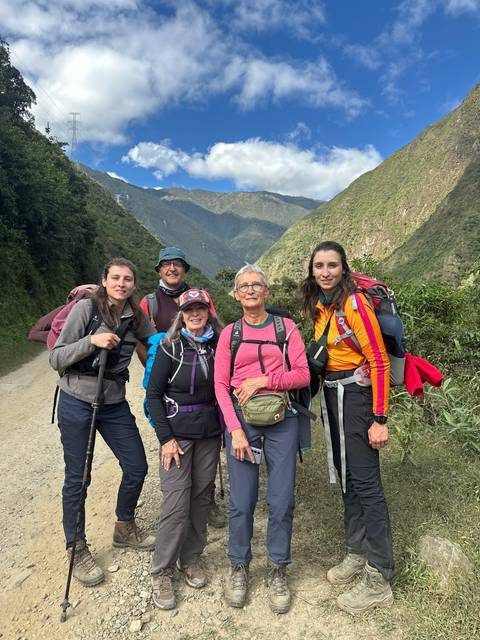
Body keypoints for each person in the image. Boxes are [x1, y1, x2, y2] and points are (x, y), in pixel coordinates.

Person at [50, 258, 156, 587]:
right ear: (104, 280)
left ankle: (124, 527)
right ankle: (76, 546)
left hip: (112, 402)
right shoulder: (86, 310)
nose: (121, 283)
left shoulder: (136, 316)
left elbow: (157, 342)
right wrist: (91, 342)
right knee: (78, 477)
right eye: (115, 278)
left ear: (134, 285)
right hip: (77, 400)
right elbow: (56, 357)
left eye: (127, 279)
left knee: (137, 466)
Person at [301, 240, 394, 615]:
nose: (325, 272)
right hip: (333, 397)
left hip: (357, 399)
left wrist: (380, 419)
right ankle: (357, 552)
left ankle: (380, 575)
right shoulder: (321, 306)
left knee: (367, 483)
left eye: (332, 265)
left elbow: (379, 361)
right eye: (319, 265)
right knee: (347, 478)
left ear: (344, 268)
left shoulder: (354, 303)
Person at [214, 264, 310, 614]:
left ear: (266, 292)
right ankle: (239, 566)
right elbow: (221, 386)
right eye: (244, 286)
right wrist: (235, 430)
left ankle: (277, 568)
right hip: (243, 423)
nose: (251, 290)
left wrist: (263, 381)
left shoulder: (286, 328)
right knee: (241, 501)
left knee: (282, 500)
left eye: (257, 285)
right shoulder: (230, 334)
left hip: (282, 419)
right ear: (237, 294)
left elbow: (301, 374)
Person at [146, 288, 224, 610]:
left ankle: (191, 558)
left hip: (209, 434)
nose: (195, 314)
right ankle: (162, 570)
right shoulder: (169, 346)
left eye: (200, 309)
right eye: (189, 309)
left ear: (208, 311)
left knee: (201, 498)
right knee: (176, 503)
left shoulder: (218, 343)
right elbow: (153, 395)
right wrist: (165, 439)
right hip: (177, 437)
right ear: (181, 312)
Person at [139, 246, 225, 529]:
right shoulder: (149, 303)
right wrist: (157, 368)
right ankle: (178, 501)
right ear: (159, 270)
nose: (172, 269)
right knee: (171, 434)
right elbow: (141, 339)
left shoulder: (201, 298)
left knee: (205, 446)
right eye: (166, 265)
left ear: (185, 269)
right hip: (169, 376)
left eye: (177, 264)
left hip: (201, 374)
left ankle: (205, 500)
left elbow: (214, 330)